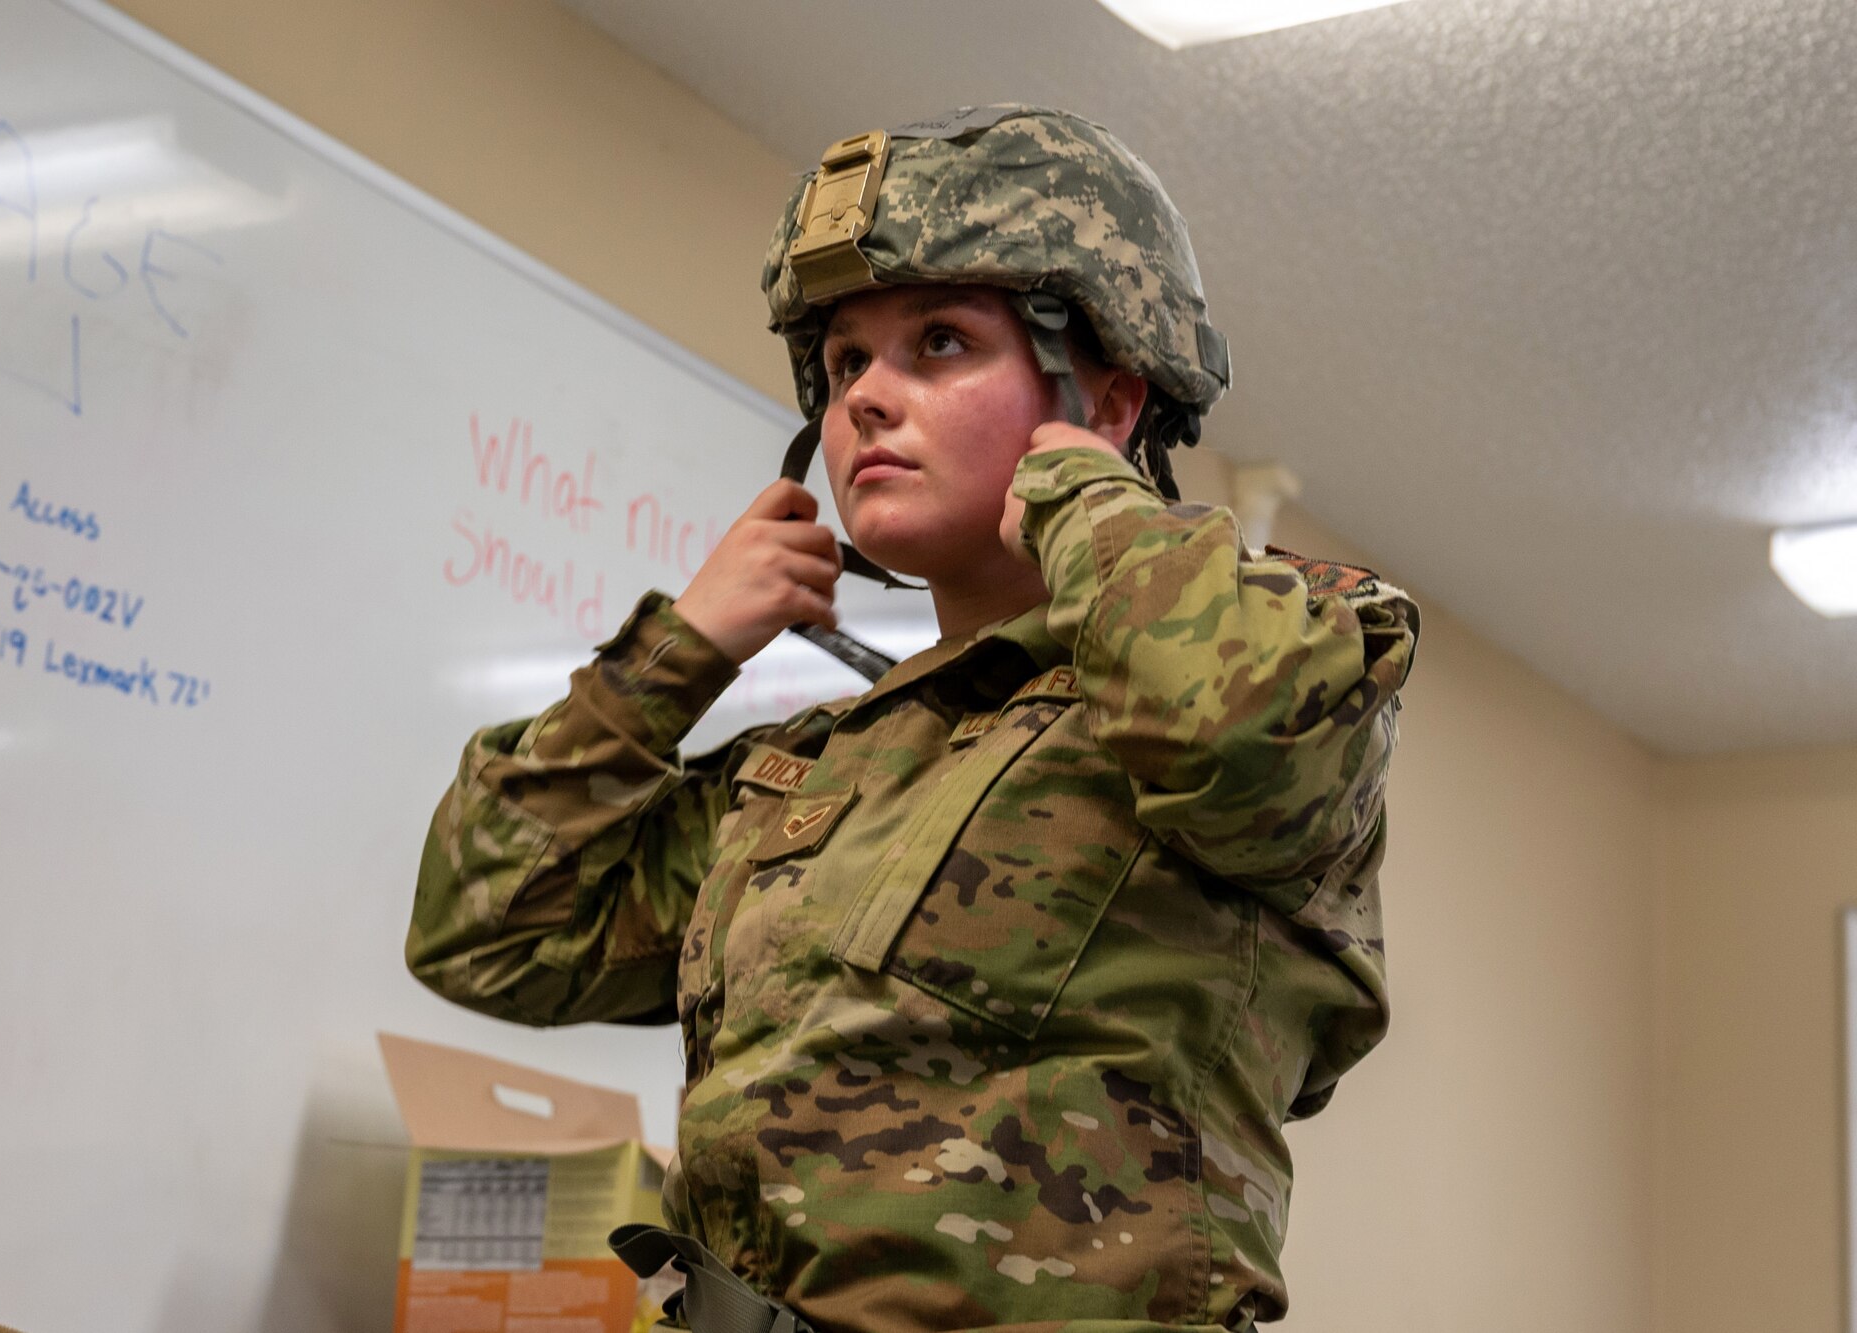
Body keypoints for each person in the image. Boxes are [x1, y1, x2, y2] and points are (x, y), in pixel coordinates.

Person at [407, 105, 1419, 1333]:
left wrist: (1076, 485)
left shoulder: (1286, 644)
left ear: (1106, 398)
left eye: (938, 344)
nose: (866, 401)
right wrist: (681, 650)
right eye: (841, 366)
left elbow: (1236, 731)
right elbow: (487, 931)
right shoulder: (809, 772)